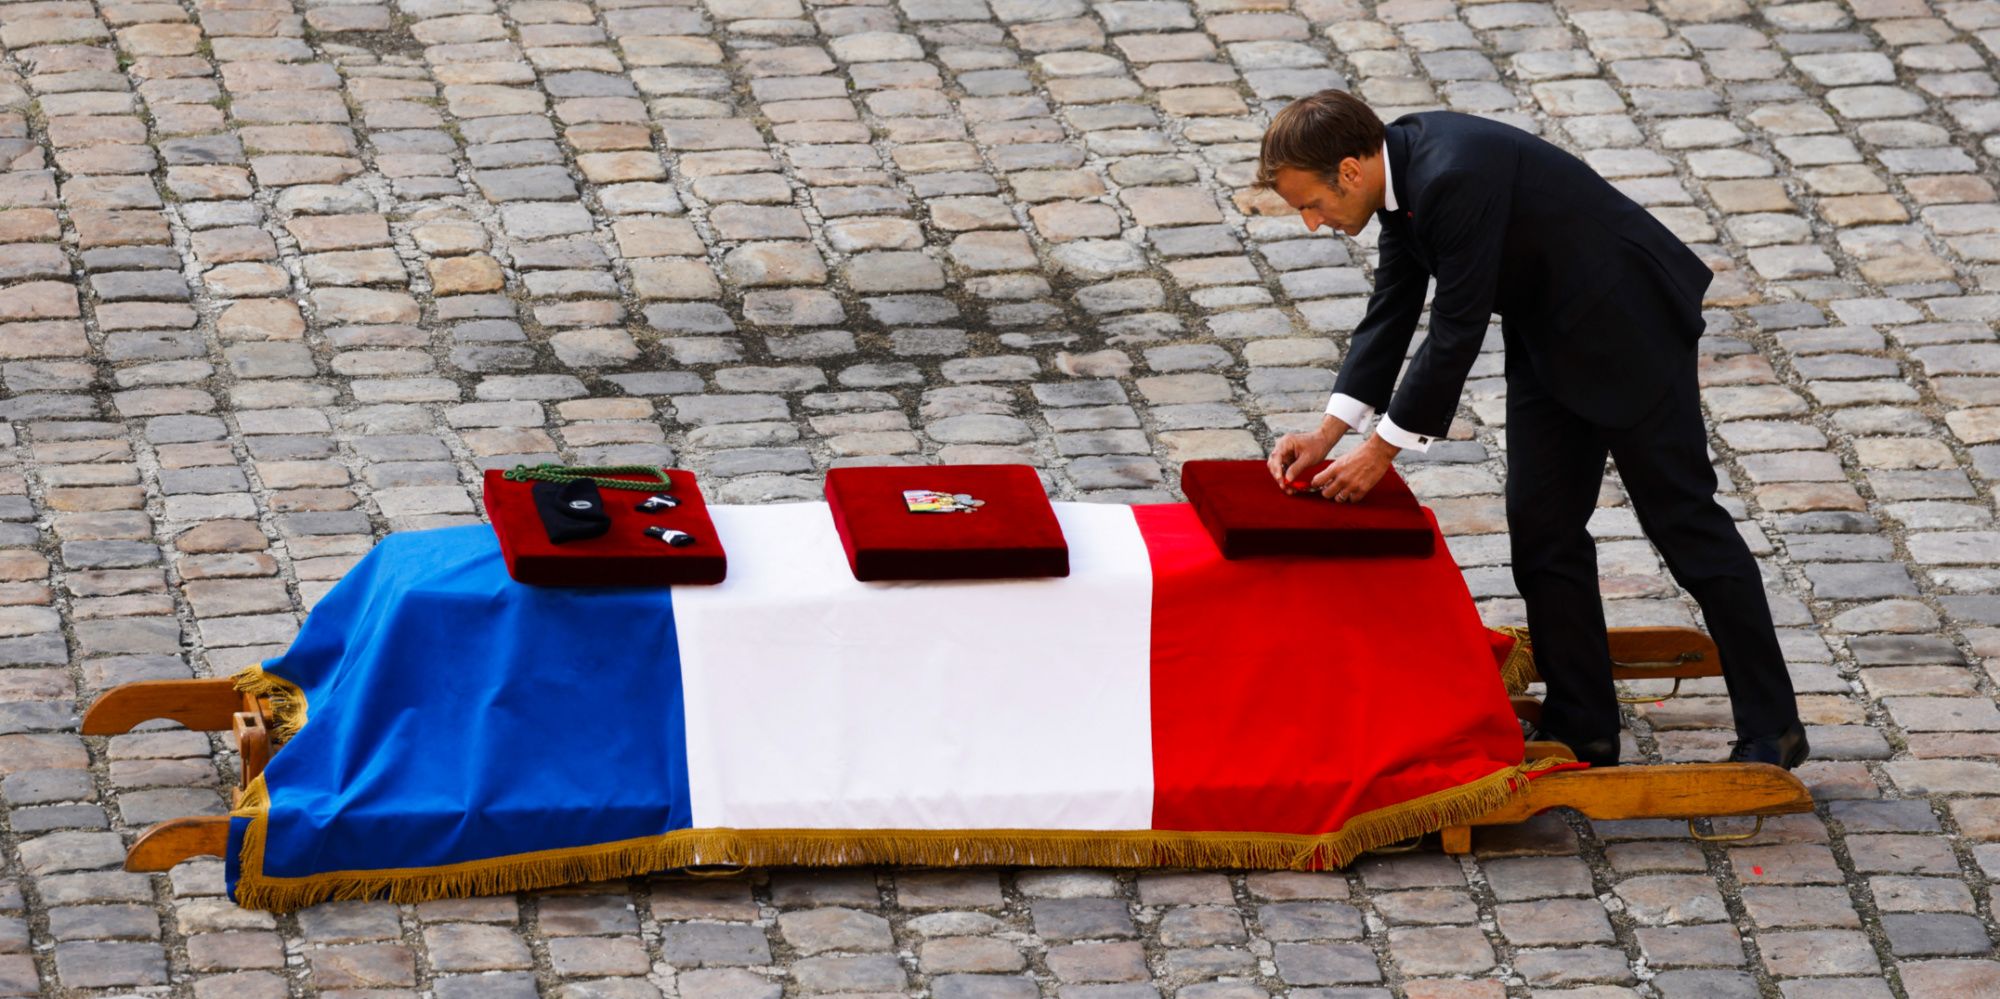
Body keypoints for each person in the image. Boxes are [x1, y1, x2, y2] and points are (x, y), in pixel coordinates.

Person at [1259, 90, 1806, 770]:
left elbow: (1456, 329)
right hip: (1550, 337)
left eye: (1311, 204)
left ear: (1348, 170)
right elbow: (1392, 309)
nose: (1312, 222)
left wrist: (1381, 449)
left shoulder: (1450, 176)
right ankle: (1583, 727)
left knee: (1686, 526)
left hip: (1631, 326)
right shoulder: (1393, 174)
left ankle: (1774, 727)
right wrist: (1328, 433)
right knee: (1542, 530)